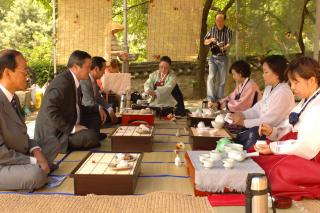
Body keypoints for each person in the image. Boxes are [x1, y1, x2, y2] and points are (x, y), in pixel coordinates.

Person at [253, 57, 320, 200]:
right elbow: (290, 126)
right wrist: (273, 131)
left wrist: (274, 148)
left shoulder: (318, 106)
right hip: (298, 148)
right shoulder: (306, 101)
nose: (292, 87)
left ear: (312, 81)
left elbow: (305, 147)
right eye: (291, 82)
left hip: (312, 158)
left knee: (278, 171)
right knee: (256, 154)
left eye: (296, 82)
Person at [34, 50, 100, 165]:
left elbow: (77, 108)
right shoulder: (62, 82)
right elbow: (50, 110)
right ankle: (77, 140)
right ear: (75, 67)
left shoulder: (75, 81)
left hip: (71, 121)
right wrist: (72, 128)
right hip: (56, 134)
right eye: (88, 67)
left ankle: (89, 135)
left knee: (96, 114)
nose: (90, 71)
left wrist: (98, 109)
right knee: (91, 136)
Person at [0, 49, 48, 191]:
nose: (27, 77)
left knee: (51, 147)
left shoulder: (13, 98)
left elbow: (22, 133)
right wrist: (33, 160)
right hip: (3, 163)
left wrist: (36, 151)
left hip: (17, 156)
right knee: (36, 174)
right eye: (24, 71)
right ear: (8, 72)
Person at [230, 55, 295, 149]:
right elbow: (257, 109)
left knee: (250, 134)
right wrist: (242, 114)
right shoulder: (269, 88)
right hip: (261, 129)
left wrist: (243, 122)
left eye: (266, 72)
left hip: (274, 136)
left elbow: (268, 122)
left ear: (277, 74)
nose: (263, 75)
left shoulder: (283, 92)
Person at [80, 56, 117, 138]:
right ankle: (93, 134)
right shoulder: (85, 80)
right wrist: (99, 108)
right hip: (84, 112)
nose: (104, 73)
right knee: (99, 111)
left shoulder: (93, 80)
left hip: (92, 108)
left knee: (110, 109)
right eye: (103, 70)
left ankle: (96, 133)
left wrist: (109, 109)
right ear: (96, 69)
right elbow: (87, 101)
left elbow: (98, 97)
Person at [204, 11, 232, 102]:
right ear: (215, 20)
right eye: (217, 20)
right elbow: (205, 42)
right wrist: (211, 39)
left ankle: (219, 98)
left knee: (222, 79)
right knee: (211, 77)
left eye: (221, 19)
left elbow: (229, 44)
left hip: (223, 57)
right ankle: (211, 98)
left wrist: (223, 48)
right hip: (212, 57)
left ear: (224, 20)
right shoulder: (212, 30)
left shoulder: (228, 30)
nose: (219, 21)